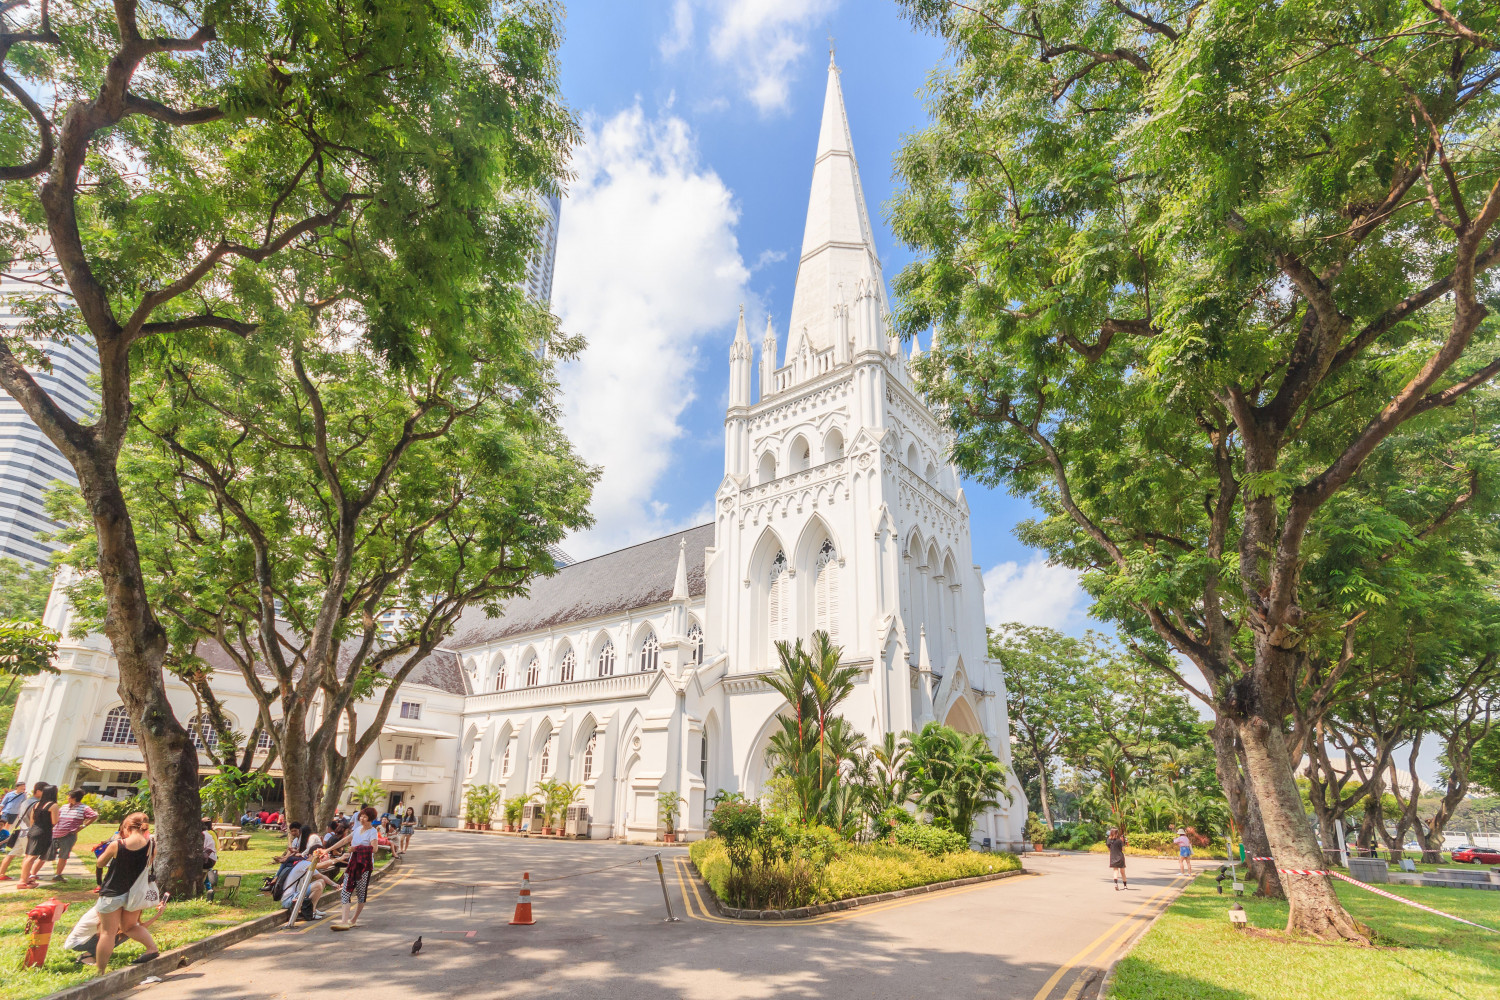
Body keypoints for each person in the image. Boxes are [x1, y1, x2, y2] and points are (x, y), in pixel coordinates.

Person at [93, 812, 161, 971]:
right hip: (135, 894)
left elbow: (100, 863)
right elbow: (147, 864)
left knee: (107, 933)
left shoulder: (117, 845)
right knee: (130, 927)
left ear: (127, 827)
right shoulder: (152, 845)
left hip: (113, 892)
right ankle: (152, 948)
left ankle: (100, 971)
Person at [325, 806, 379, 929]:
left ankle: (353, 920)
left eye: (365, 817)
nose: (362, 818)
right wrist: (327, 850)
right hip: (352, 863)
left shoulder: (373, 832)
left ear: (370, 819)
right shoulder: (358, 829)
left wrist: (357, 848)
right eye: (361, 816)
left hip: (364, 866)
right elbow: (345, 840)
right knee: (345, 891)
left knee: (360, 893)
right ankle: (344, 922)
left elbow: (374, 849)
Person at [49, 788, 98, 880]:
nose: (67, 797)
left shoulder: (84, 808)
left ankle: (58, 875)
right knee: (47, 854)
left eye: (69, 796)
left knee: (63, 856)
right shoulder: (64, 807)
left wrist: (82, 827)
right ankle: (33, 874)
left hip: (68, 835)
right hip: (55, 834)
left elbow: (93, 816)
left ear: (74, 798)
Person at [19, 782, 60, 888]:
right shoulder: (53, 806)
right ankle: (23, 881)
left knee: (28, 856)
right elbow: (55, 821)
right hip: (43, 832)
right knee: (32, 857)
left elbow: (32, 820)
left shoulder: (36, 804)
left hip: (33, 831)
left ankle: (25, 878)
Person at [277, 849, 330, 922]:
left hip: (297, 893)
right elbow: (321, 866)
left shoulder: (306, 863)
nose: (319, 859)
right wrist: (338, 859)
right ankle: (311, 912)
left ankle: (312, 910)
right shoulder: (304, 864)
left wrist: (335, 884)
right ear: (310, 855)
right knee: (318, 885)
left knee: (321, 881)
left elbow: (321, 876)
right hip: (289, 899)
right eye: (318, 857)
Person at [201, 819, 219, 892]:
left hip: (208, 860)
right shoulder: (209, 833)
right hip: (212, 858)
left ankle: (208, 885)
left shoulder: (203, 834)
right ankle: (208, 885)